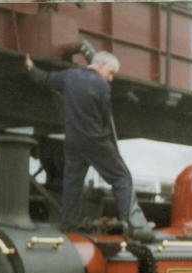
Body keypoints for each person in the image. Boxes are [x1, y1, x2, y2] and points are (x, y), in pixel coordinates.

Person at [24, 51, 154, 240]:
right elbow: (104, 117)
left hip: (73, 142)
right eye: (111, 73)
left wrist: (29, 66)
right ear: (101, 65)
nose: (110, 79)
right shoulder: (101, 85)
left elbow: (44, 78)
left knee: (72, 183)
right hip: (95, 140)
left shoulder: (69, 76)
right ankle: (136, 225)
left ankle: (69, 225)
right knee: (121, 177)